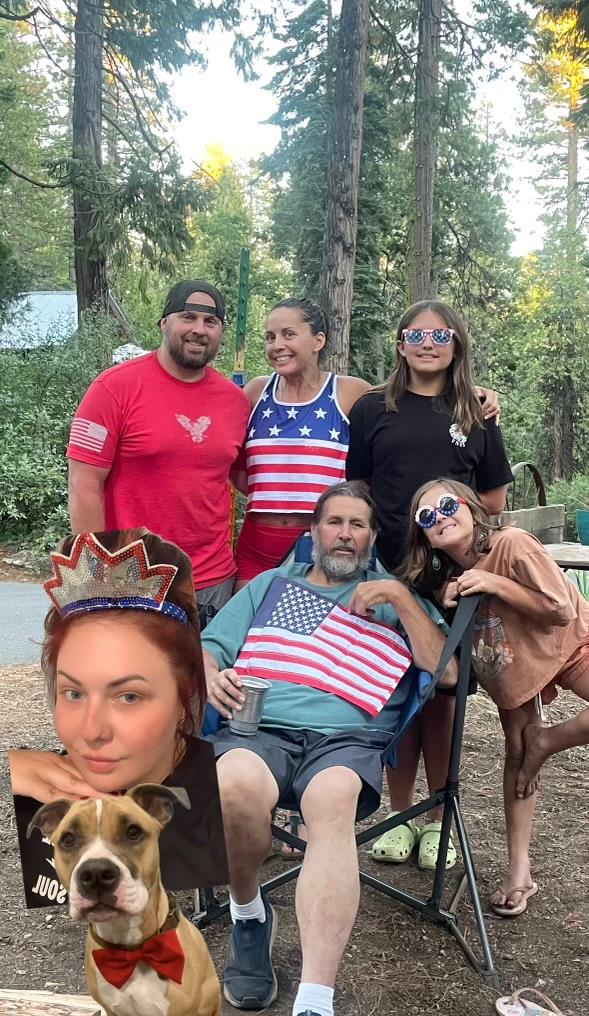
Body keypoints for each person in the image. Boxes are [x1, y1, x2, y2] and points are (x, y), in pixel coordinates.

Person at [201, 481, 458, 1016]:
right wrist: (207, 674)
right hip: (260, 727)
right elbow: (208, 647)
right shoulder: (271, 584)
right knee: (234, 786)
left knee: (333, 801)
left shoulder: (393, 596)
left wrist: (398, 598)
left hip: (346, 740)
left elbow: (448, 670)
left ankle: (316, 1000)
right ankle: (249, 915)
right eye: (335, 522)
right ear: (314, 531)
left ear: (372, 536)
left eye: (357, 525)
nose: (345, 535)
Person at [346, 300, 513, 871]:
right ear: (399, 344)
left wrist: (455, 534)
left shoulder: (476, 411)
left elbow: (493, 499)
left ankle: (439, 818)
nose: (427, 342)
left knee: (441, 697)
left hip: (454, 580)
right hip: (389, 570)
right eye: (414, 333)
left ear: (455, 343)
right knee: (397, 693)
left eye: (439, 334)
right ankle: (400, 815)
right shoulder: (374, 408)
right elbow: (359, 486)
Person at [9, 528, 228, 907]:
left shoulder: (222, 796)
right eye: (74, 693)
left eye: (129, 696)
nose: (91, 732)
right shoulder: (35, 795)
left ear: (186, 692)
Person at [402, 478, 589, 916]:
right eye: (426, 517)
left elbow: (560, 606)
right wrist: (446, 599)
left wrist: (492, 582)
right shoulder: (444, 576)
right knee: (517, 755)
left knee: (532, 747)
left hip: (566, 647)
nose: (440, 517)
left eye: (446, 506)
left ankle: (548, 741)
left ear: (470, 507)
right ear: (423, 535)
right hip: (514, 672)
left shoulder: (512, 544)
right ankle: (520, 870)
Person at [67, 280, 250, 618]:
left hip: (213, 584)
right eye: (187, 317)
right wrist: (100, 571)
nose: (199, 330)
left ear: (221, 332)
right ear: (164, 323)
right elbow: (83, 484)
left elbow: (245, 479)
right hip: (133, 577)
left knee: (206, 672)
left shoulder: (236, 402)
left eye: (210, 322)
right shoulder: (112, 388)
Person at [233, 298, 372, 586]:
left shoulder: (348, 392)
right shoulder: (256, 393)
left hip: (323, 547)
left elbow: (409, 404)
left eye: (288, 334)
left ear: (318, 341)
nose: (276, 345)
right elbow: (236, 468)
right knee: (246, 628)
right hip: (257, 546)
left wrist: (469, 391)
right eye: (270, 337)